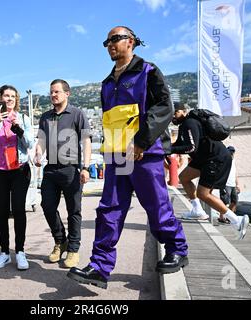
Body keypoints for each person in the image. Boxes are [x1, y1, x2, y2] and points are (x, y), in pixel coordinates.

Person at [67, 26, 189, 289]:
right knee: (109, 209)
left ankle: (177, 249)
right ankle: (99, 266)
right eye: (106, 41)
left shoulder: (148, 71)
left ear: (130, 42)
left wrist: (142, 141)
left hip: (145, 153)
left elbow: (164, 107)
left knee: (156, 205)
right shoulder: (107, 83)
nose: (110, 44)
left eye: (114, 39)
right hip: (117, 156)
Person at [34, 79, 92, 269]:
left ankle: (73, 250)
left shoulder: (77, 114)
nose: (53, 95)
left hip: (71, 169)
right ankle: (61, 242)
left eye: (57, 92)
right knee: (47, 206)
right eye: (51, 92)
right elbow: (41, 140)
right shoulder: (45, 117)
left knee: (73, 211)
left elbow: (86, 142)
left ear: (67, 94)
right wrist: (38, 153)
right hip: (50, 169)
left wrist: (85, 167)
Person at [170, 102, 249, 239]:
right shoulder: (184, 125)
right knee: (184, 177)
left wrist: (168, 150)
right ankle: (197, 210)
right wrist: (161, 147)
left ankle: (237, 220)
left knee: (203, 194)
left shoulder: (190, 123)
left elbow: (190, 147)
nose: (173, 116)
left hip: (215, 158)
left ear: (183, 111)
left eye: (175, 113)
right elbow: (178, 144)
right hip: (204, 158)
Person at [0, 85, 34, 270]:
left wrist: (17, 127)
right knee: (2, 212)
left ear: (16, 99)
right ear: (0, 98)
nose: (10, 99)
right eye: (6, 96)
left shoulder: (24, 119)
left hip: (20, 170)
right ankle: (4, 252)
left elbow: (29, 143)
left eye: (13, 96)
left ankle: (20, 252)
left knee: (19, 210)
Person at [219, 146, 240, 216]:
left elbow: (235, 173)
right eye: (230, 152)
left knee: (235, 201)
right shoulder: (223, 159)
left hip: (233, 184)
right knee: (224, 202)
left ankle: (230, 217)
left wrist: (237, 185)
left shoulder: (234, 161)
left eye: (233, 152)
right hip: (225, 184)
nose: (232, 154)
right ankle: (221, 217)